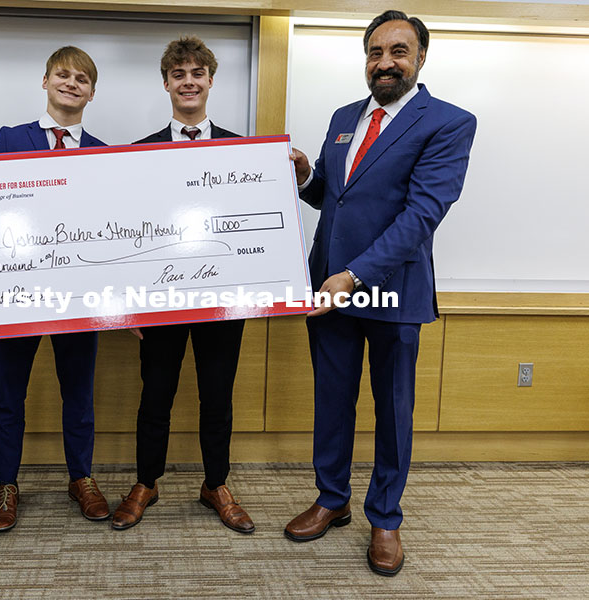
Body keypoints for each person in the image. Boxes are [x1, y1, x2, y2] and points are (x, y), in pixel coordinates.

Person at [283, 11, 477, 576]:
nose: (385, 62)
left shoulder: (448, 121)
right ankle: (331, 498)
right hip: (330, 289)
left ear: (420, 58)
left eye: (398, 51)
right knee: (332, 401)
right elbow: (333, 195)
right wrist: (302, 177)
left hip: (390, 291)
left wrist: (355, 276)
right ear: (365, 58)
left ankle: (386, 517)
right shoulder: (345, 117)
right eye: (375, 52)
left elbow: (422, 214)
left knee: (393, 410)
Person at [111, 36, 254, 534]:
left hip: (222, 300)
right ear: (167, 83)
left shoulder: (243, 152)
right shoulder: (139, 154)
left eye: (197, 73)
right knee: (156, 395)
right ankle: (146, 482)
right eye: (179, 74)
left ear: (211, 81)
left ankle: (215, 483)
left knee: (218, 396)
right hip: (161, 300)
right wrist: (128, 304)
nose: (188, 82)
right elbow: (127, 232)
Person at [0, 46, 109, 532]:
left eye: (82, 78)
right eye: (63, 74)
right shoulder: (10, 138)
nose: (71, 83)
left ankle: (81, 477)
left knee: (79, 393)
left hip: (80, 297)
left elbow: (112, 229)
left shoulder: (103, 153)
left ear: (91, 92)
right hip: (17, 294)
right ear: (45, 81)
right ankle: (6, 483)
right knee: (8, 394)